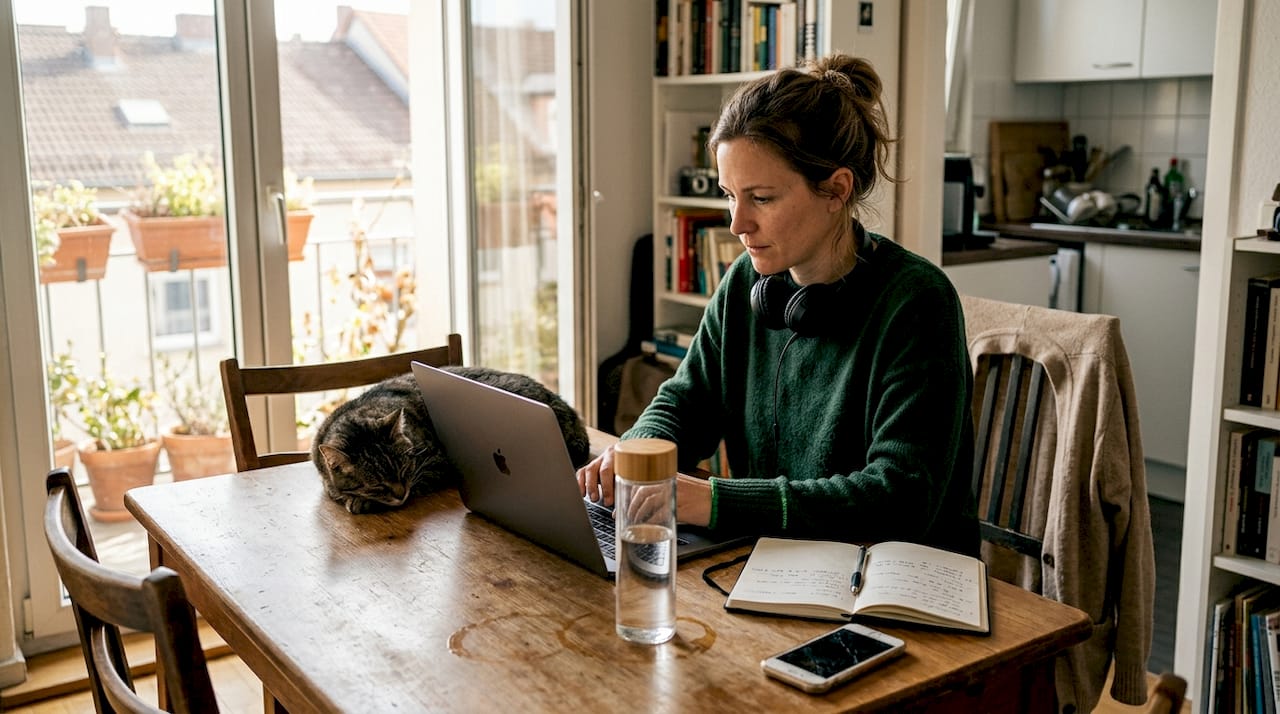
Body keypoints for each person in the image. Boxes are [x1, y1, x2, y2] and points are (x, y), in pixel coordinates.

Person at [576, 54, 978, 555]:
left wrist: (712, 501)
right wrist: (635, 451)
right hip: (776, 558)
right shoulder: (748, 279)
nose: (736, 224)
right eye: (729, 195)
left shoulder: (917, 301)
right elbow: (687, 400)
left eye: (761, 198)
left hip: (894, 582)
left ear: (836, 189)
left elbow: (900, 497)